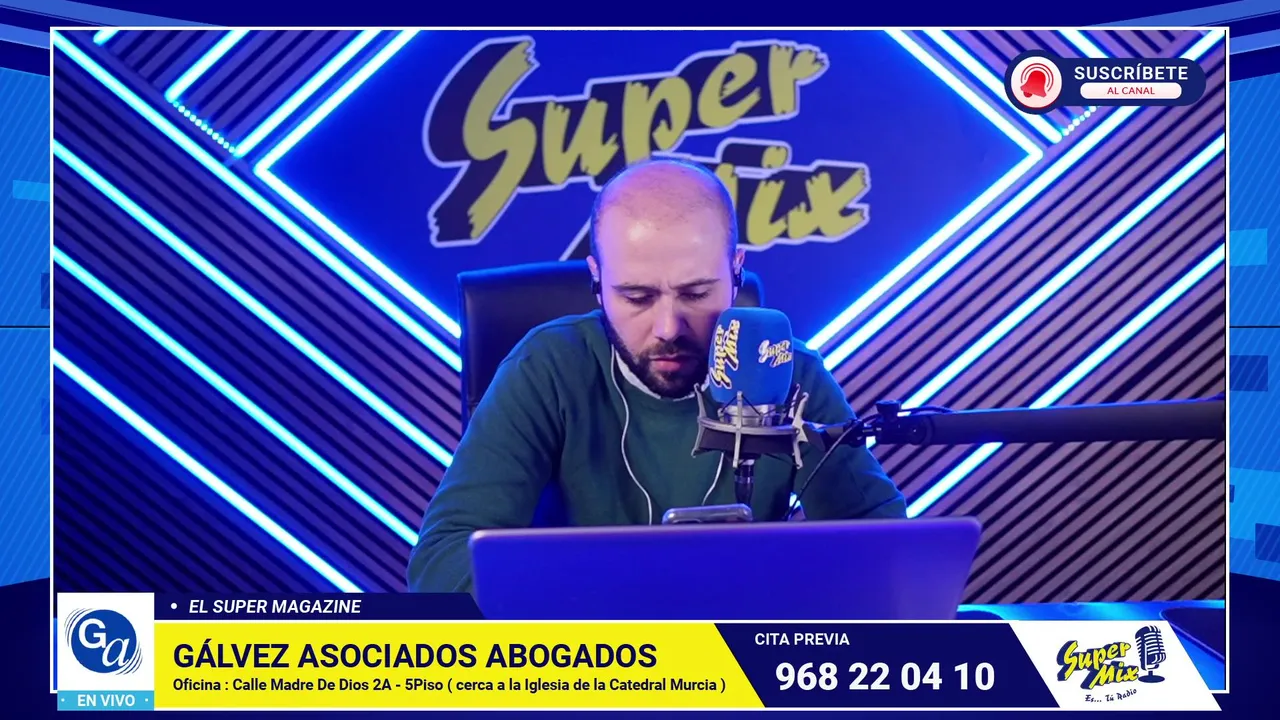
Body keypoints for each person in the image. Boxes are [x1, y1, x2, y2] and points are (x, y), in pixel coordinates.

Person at [407, 159, 905, 593]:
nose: (668, 327)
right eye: (637, 297)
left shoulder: (786, 370)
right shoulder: (546, 368)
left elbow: (888, 550)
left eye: (695, 294)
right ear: (597, 279)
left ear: (736, 271)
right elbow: (441, 563)